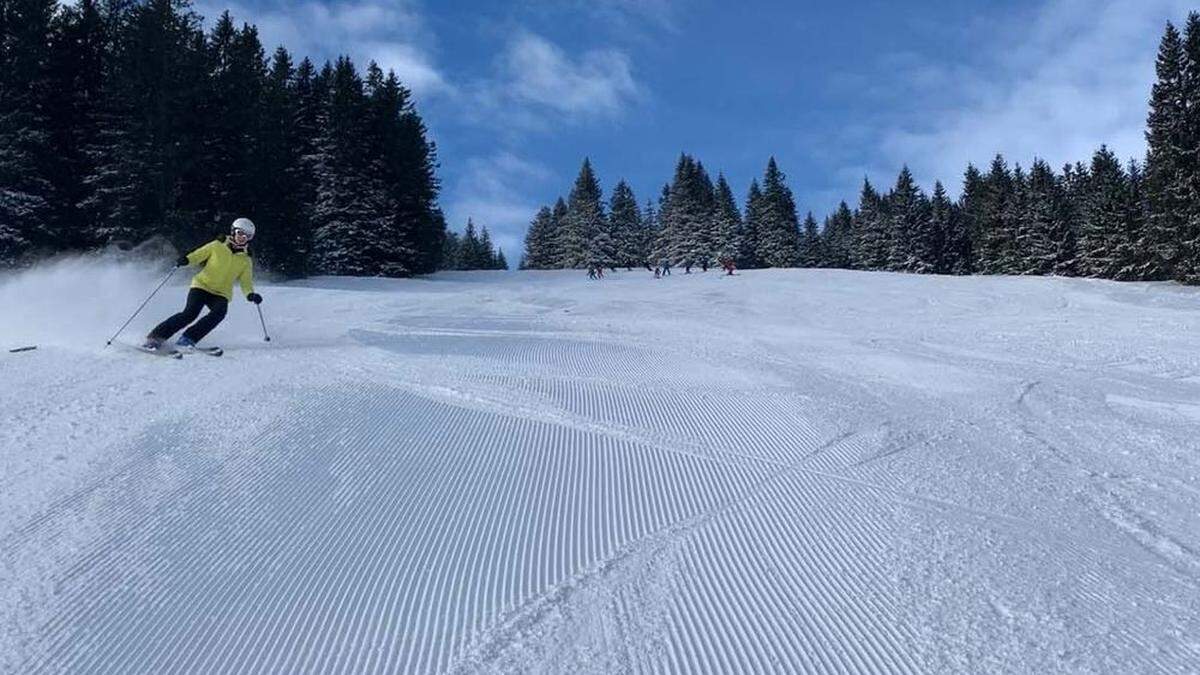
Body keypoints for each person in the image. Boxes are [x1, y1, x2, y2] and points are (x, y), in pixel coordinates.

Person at [142, 218, 262, 351]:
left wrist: (250, 294)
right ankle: (156, 337)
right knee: (190, 313)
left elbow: (246, 281)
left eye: (247, 236)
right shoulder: (217, 245)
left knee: (219, 313)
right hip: (202, 285)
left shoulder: (246, 260)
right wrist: (186, 260)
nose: (242, 238)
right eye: (240, 233)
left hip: (221, 293)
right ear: (233, 231)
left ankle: (188, 339)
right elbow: (199, 255)